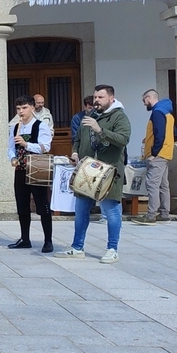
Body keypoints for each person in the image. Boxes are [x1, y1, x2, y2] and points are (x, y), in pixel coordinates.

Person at [56, 85, 132, 263]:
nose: (96, 100)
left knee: (111, 211)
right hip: (87, 171)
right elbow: (77, 139)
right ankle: (77, 247)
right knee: (81, 210)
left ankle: (112, 249)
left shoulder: (119, 116)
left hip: (109, 172)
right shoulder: (90, 116)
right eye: (95, 97)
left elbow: (123, 139)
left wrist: (100, 130)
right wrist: (75, 152)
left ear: (111, 98)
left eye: (101, 97)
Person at [8, 95, 54, 253]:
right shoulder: (15, 127)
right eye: (18, 108)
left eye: (24, 108)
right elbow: (10, 147)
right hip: (21, 169)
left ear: (32, 108)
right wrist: (12, 157)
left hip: (37, 168)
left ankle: (48, 240)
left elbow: (45, 147)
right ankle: (25, 238)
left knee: (42, 205)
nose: (21, 111)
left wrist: (26, 144)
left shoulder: (41, 126)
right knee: (22, 205)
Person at [134, 89, 174, 225]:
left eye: (144, 100)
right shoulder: (167, 112)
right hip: (166, 153)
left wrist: (154, 153)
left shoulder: (157, 112)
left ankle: (151, 216)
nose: (144, 104)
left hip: (158, 155)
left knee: (152, 184)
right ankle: (164, 214)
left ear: (149, 98)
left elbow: (159, 134)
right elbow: (172, 133)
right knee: (163, 185)